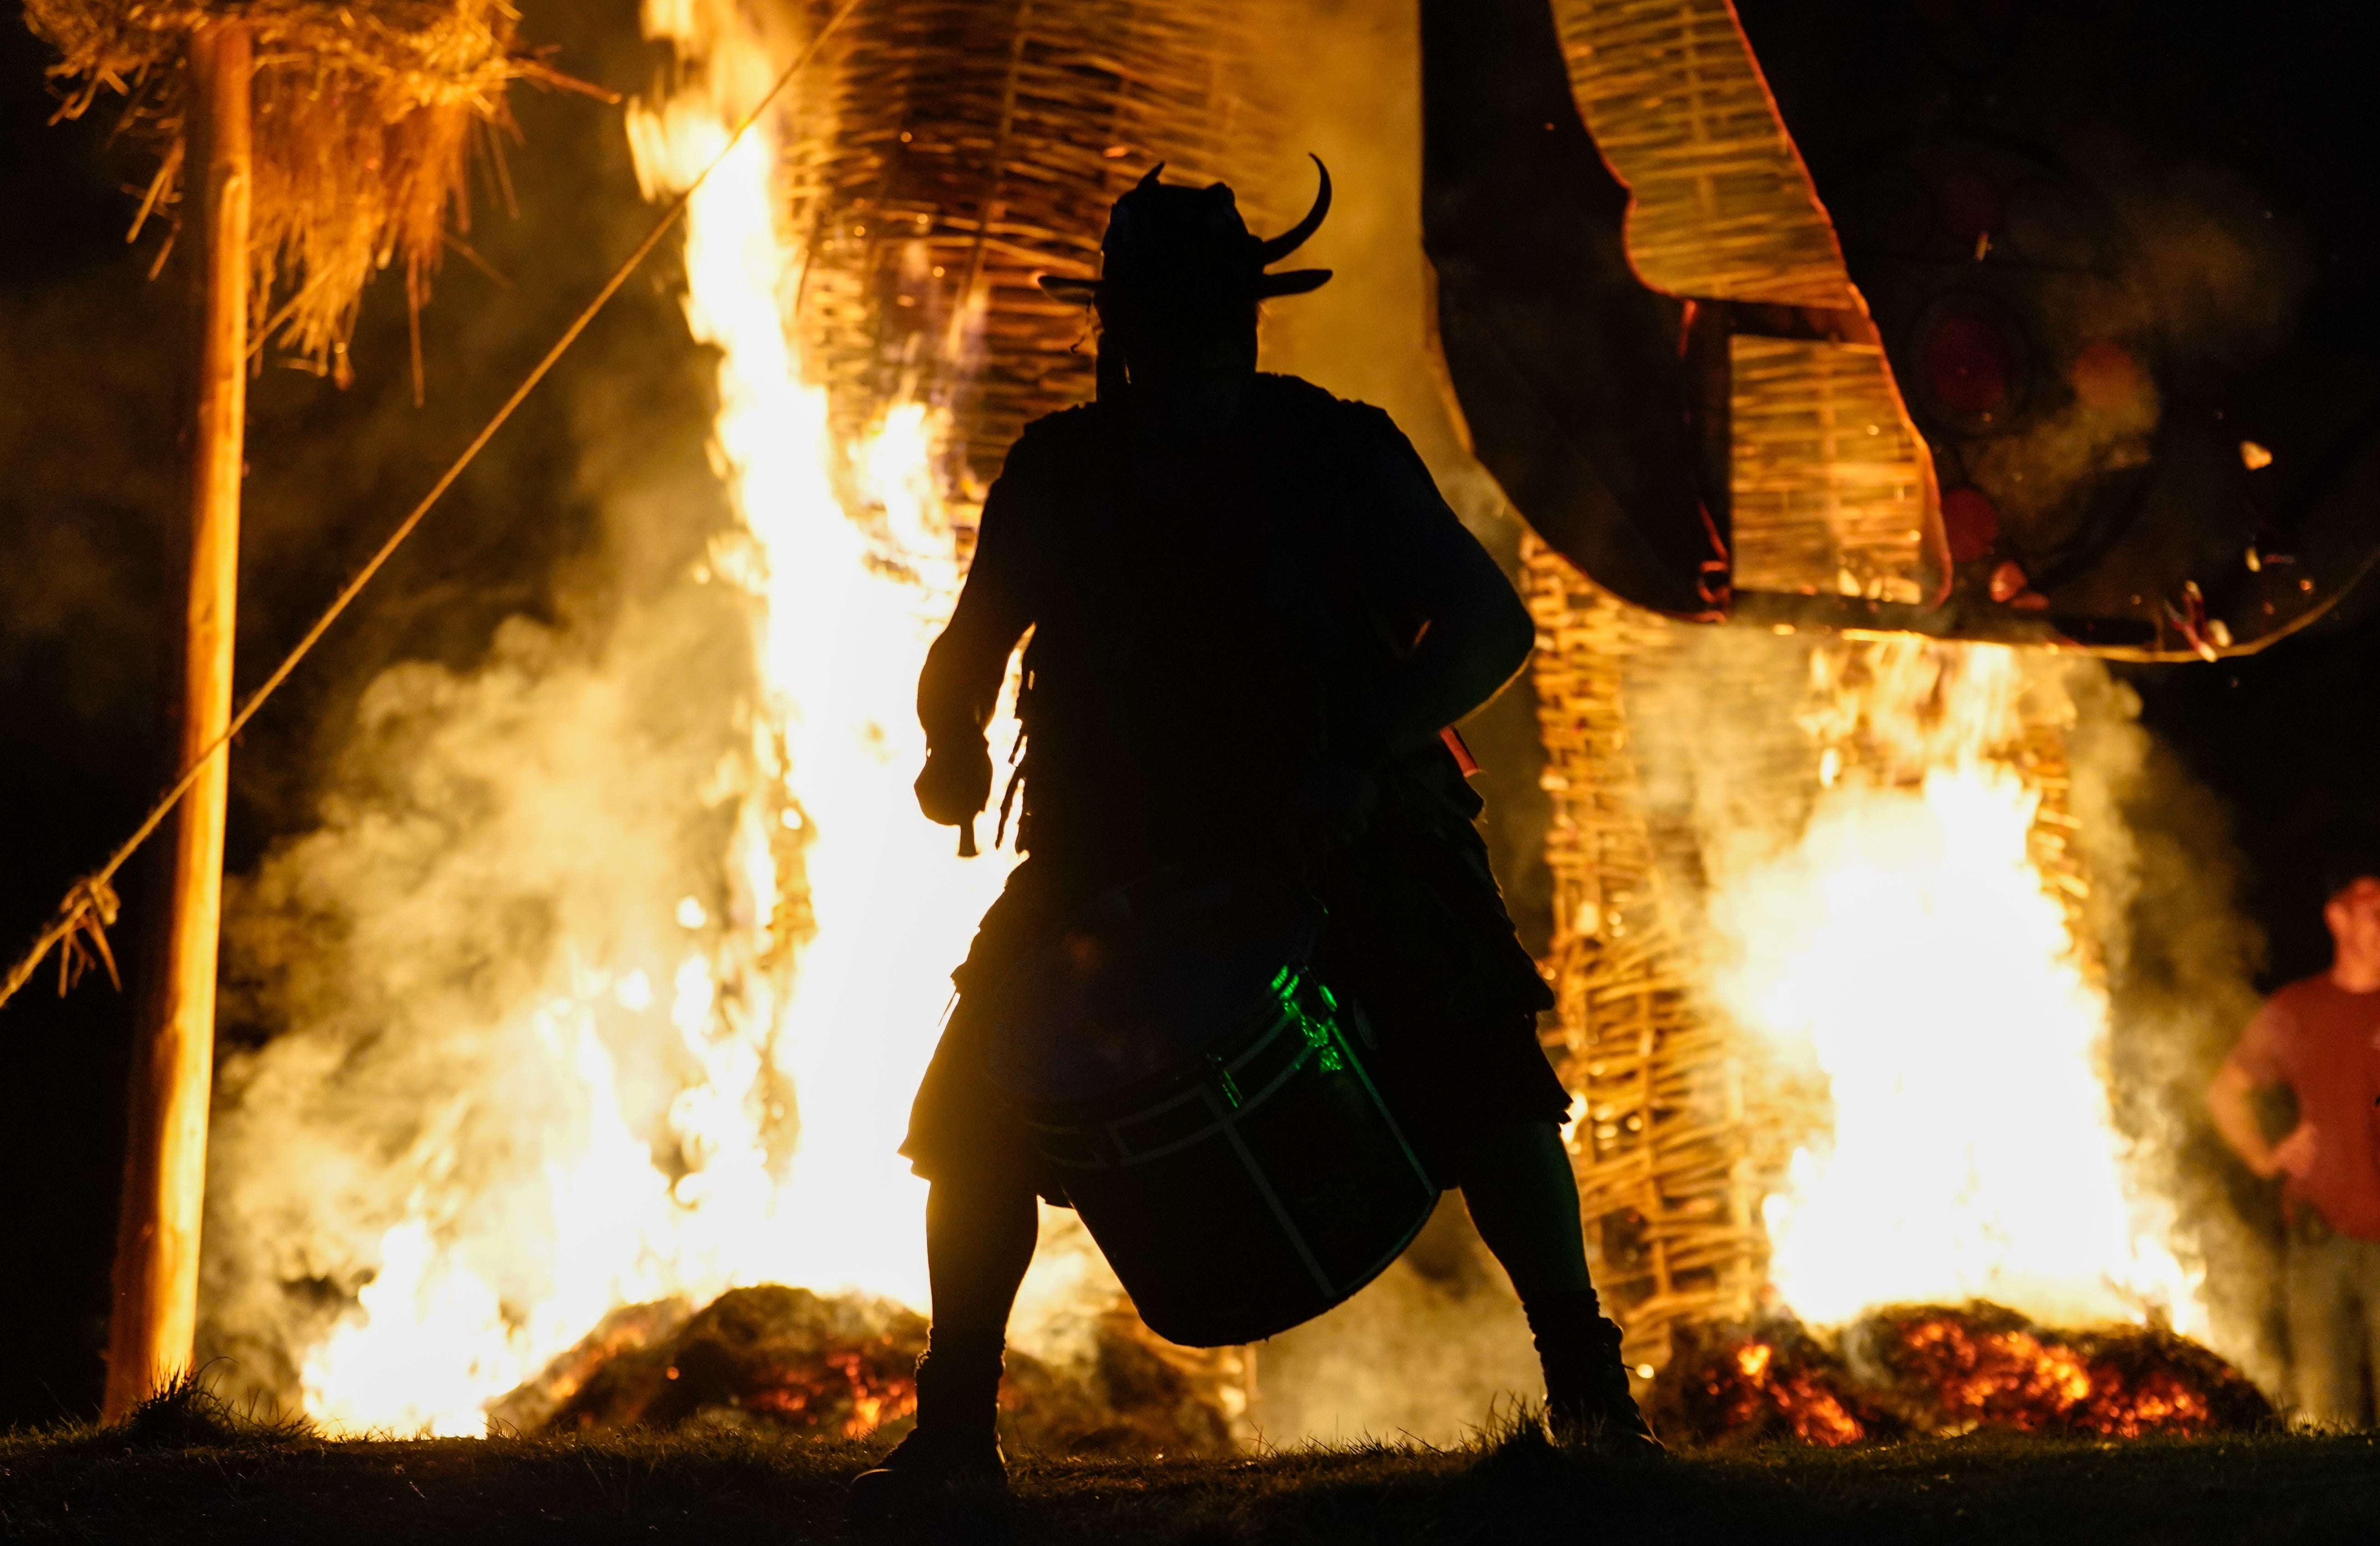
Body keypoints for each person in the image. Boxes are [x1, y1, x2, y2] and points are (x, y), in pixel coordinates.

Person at [848, 160, 1652, 1517]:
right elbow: (969, 647)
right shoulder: (1064, 469)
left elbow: (1482, 630)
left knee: (1482, 1076)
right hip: (1112, 854)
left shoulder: (1332, 452)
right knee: (977, 1121)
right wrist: (952, 743)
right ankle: (952, 1433)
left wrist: (1361, 756)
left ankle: (1587, 1394)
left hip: (1343, 831)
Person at [2207, 858, 2380, 1426]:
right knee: (2325, 1419)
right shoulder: (2299, 1009)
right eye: (2372, 904)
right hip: (2318, 1243)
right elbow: (2225, 1091)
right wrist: (2265, 1156)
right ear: (2337, 917)